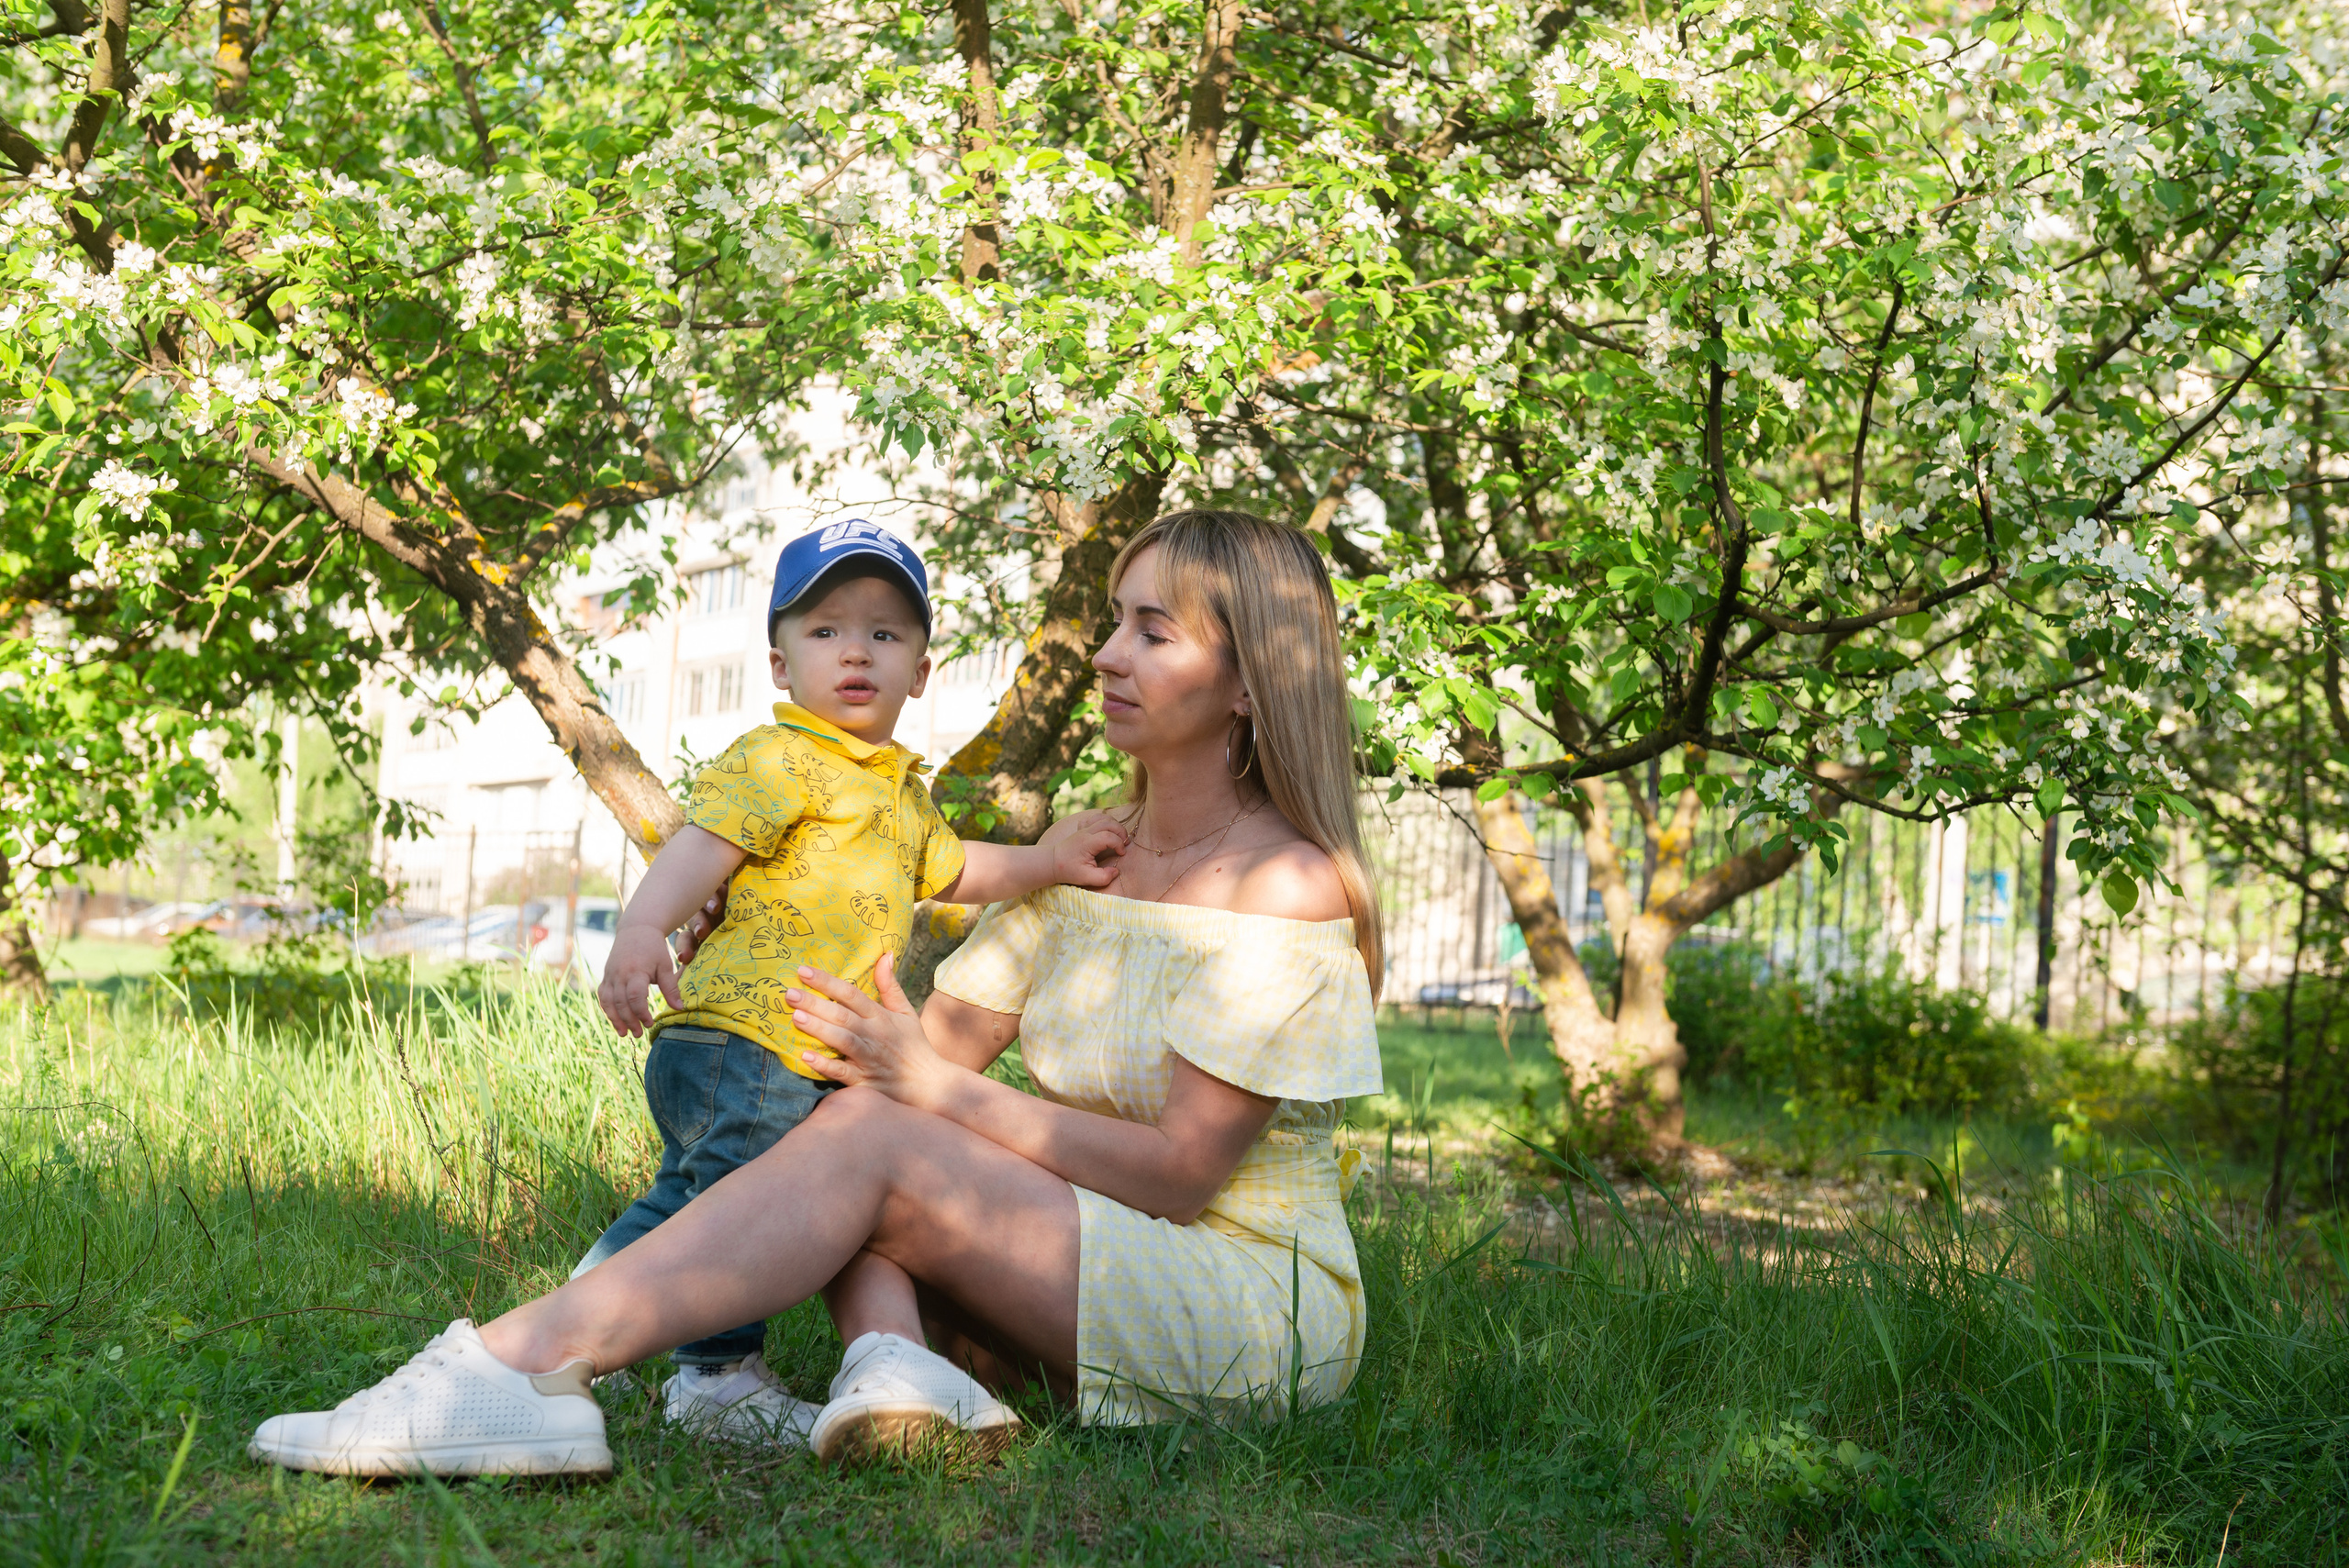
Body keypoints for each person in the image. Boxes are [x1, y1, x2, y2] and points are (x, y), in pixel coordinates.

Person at [247, 509, 1386, 1477]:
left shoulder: (1282, 881)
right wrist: (751, 919)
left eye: (1153, 630)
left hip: (1242, 1302)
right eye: (1111, 622)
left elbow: (1182, 1178)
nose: (1104, 656)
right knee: (836, 1111)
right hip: (1073, 1273)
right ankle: (894, 1373)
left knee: (882, 1127)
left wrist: (935, 1085)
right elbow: (883, 1080)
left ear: (1250, 681)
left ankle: (508, 1368)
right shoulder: (1093, 855)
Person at [586, 519, 1125, 1442]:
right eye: (828, 629)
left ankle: (581, 1322)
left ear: (920, 670)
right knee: (727, 1196)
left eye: (885, 633)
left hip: (787, 1046)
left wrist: (1045, 860)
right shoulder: (778, 756)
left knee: (703, 1190)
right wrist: (641, 927)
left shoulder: (899, 792)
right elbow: (701, 849)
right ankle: (707, 1371)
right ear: (778, 662)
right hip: (744, 1034)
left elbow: (955, 875)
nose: (857, 652)